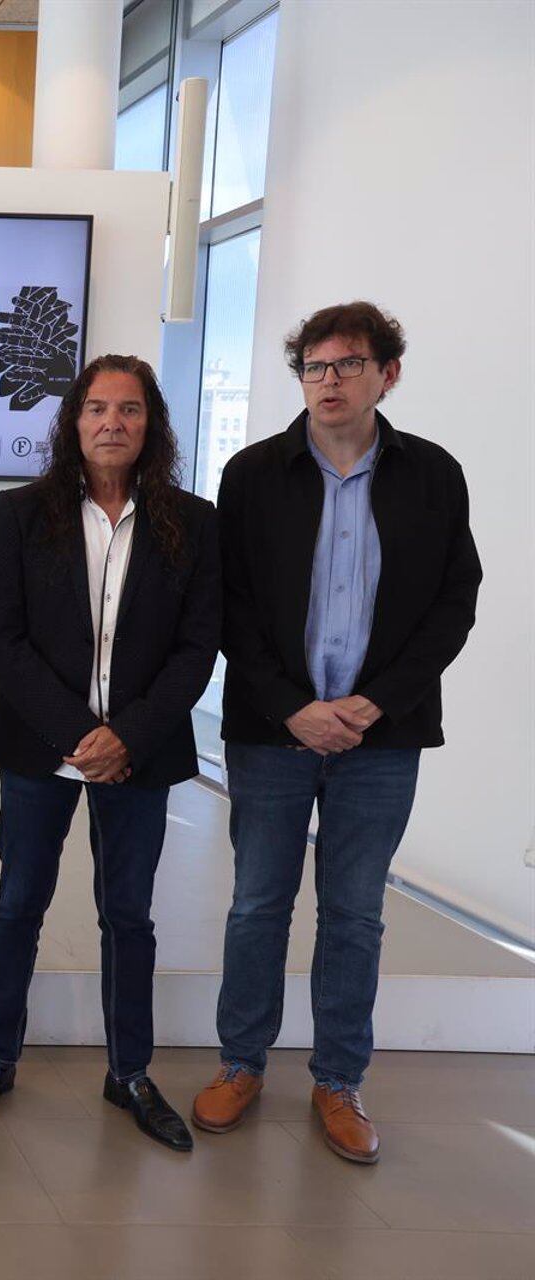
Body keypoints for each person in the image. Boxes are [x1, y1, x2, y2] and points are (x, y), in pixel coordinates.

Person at [192, 303, 481, 1164]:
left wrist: (372, 704)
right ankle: (241, 1062)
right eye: (314, 368)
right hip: (272, 732)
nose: (329, 381)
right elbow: (228, 608)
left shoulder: (433, 475)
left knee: (354, 914)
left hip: (380, 741)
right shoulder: (251, 475)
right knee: (256, 907)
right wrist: (292, 705)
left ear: (387, 374)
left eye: (348, 365)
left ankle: (338, 1080)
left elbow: (451, 607)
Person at [0, 355, 219, 1151]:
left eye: (129, 410)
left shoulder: (193, 521)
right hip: (41, 747)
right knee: (18, 906)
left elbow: (200, 645)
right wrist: (78, 734)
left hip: (140, 751)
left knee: (128, 917)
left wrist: (126, 733)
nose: (112, 423)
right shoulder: (24, 511)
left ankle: (130, 1072)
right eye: (96, 408)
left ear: (151, 424)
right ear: (73, 421)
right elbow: (3, 635)